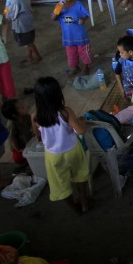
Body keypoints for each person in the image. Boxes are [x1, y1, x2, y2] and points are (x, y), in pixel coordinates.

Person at [32, 76, 90, 212]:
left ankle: (74, 207)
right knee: (80, 174)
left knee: (60, 183)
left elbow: (38, 136)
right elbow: (81, 130)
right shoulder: (65, 112)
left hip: (53, 156)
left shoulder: (35, 116)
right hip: (72, 149)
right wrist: (82, 121)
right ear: (58, 94)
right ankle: (84, 200)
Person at [52, 0, 91, 76]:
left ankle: (86, 66)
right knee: (71, 53)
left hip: (80, 35)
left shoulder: (78, 5)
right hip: (68, 36)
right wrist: (57, 12)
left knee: (83, 51)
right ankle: (75, 67)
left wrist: (83, 19)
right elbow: (53, 18)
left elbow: (87, 15)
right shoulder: (60, 6)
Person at [6, 0, 41, 65]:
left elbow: (12, 15)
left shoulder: (16, 1)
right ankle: (29, 55)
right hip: (28, 24)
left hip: (22, 27)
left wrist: (6, 14)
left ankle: (37, 56)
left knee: (28, 43)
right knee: (28, 41)